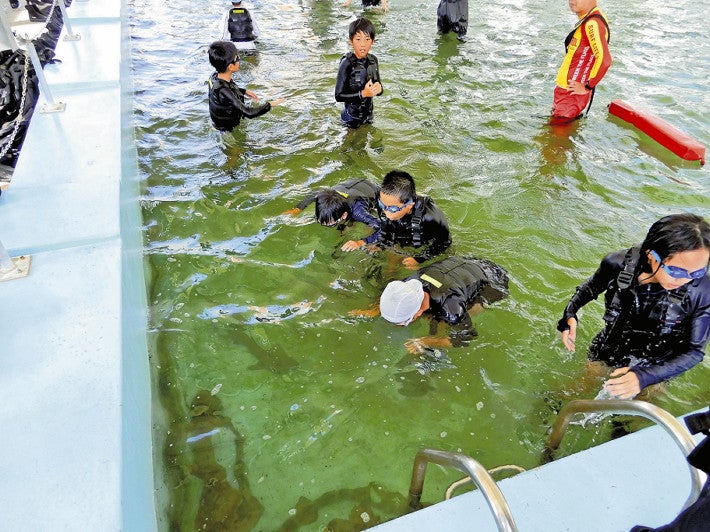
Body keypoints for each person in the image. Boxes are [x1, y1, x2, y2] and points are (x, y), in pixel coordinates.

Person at [558, 213, 710, 399]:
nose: (685, 280)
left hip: (659, 362)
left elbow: (694, 351)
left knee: (641, 405)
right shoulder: (617, 265)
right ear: (651, 255)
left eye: (697, 272)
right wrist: (568, 316)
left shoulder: (702, 291)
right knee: (576, 390)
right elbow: (588, 289)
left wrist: (645, 376)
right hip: (611, 344)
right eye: (676, 271)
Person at [378, 256, 509, 352]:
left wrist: (427, 341)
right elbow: (394, 298)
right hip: (468, 262)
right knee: (434, 316)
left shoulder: (451, 307)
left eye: (403, 321)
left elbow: (466, 337)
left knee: (450, 321)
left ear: (417, 313)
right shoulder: (407, 283)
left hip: (493, 280)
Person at [343, 170, 451, 266]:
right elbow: (387, 226)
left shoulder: (432, 218)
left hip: (424, 240)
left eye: (392, 209)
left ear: (409, 205)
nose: (386, 212)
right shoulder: (386, 205)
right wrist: (381, 244)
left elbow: (445, 243)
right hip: (402, 232)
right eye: (382, 205)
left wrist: (419, 258)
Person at [550, 0, 611, 125]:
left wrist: (587, 86)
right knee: (556, 135)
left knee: (555, 141)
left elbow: (605, 60)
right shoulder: (590, 18)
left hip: (571, 94)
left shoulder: (593, 23)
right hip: (568, 92)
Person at [207, 41, 283, 132]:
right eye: (237, 58)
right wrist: (270, 104)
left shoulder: (214, 77)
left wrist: (244, 91)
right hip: (227, 130)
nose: (239, 60)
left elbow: (224, 90)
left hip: (218, 122)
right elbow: (249, 113)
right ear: (231, 66)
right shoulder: (224, 90)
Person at [284, 178, 380, 241]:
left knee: (368, 227)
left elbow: (382, 227)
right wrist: (297, 209)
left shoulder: (359, 212)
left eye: (330, 224)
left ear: (344, 215)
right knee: (344, 227)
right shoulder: (323, 195)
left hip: (374, 192)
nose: (325, 224)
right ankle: (343, 226)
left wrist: (362, 242)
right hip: (354, 185)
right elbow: (312, 195)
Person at [335, 18, 383, 129]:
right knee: (351, 145)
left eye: (367, 39)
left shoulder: (373, 60)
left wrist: (378, 89)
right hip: (351, 118)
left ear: (373, 41)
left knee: (372, 143)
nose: (363, 44)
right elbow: (338, 96)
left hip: (368, 116)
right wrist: (363, 94)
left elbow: (379, 89)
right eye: (358, 39)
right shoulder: (346, 63)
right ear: (351, 41)